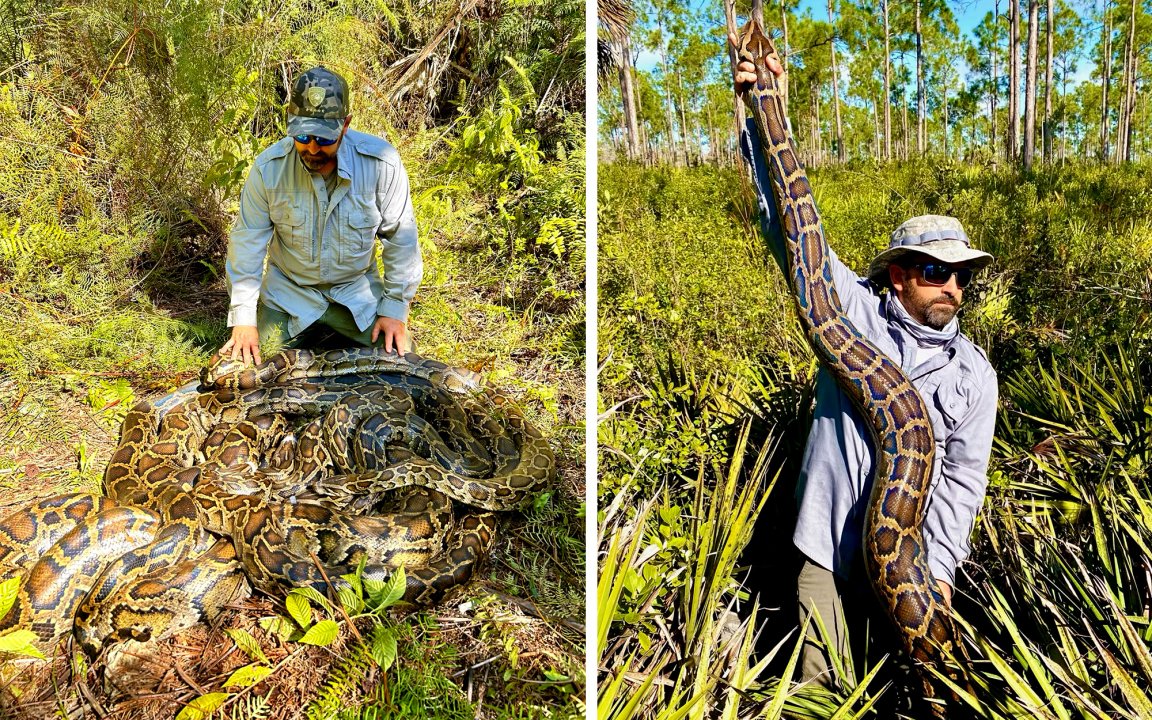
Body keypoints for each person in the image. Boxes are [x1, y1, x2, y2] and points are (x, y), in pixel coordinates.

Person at [732, 54, 998, 686]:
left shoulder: (974, 376)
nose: (952, 286)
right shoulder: (852, 308)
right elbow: (791, 225)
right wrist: (761, 111)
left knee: (901, 691)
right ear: (899, 274)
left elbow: (962, 482)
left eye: (962, 275)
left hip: (911, 568)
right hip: (825, 546)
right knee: (819, 687)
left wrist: (940, 576)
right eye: (936, 271)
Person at [219, 66, 422, 366]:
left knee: (402, 363)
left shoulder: (382, 164)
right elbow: (247, 244)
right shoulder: (268, 170)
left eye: (325, 138)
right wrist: (244, 319)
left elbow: (401, 240)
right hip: (290, 294)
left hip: (355, 295)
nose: (312, 147)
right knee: (252, 367)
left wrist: (394, 309)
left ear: (345, 125)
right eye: (302, 135)